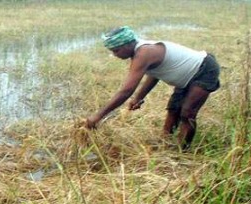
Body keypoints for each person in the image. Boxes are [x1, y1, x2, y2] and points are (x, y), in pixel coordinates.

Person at [85, 26, 220, 149]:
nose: (115, 55)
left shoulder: (144, 52)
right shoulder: (140, 52)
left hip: (203, 69)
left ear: (128, 44)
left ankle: (182, 150)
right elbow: (154, 74)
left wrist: (98, 116)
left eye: (116, 50)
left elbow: (126, 91)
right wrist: (139, 97)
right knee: (173, 110)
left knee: (187, 113)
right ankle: (165, 143)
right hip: (185, 77)